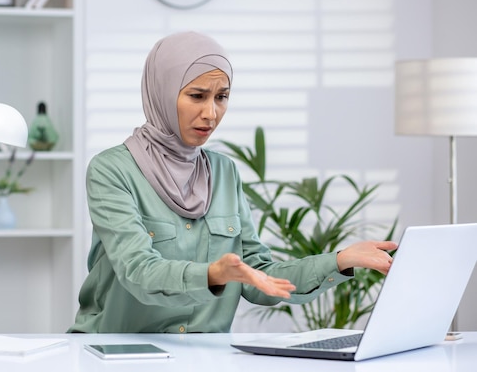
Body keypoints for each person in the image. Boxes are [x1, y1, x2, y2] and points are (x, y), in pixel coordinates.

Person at [68, 31, 397, 333]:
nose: (211, 113)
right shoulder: (112, 170)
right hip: (115, 353)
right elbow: (137, 272)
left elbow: (257, 276)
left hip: (204, 357)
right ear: (162, 93)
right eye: (197, 96)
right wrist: (213, 275)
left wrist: (340, 261)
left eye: (221, 97)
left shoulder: (224, 172)